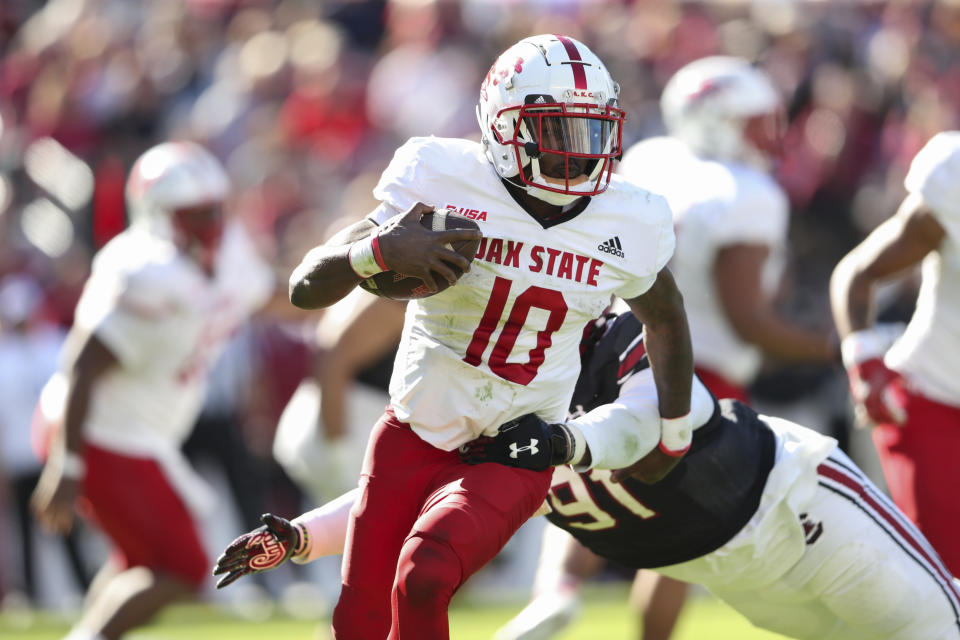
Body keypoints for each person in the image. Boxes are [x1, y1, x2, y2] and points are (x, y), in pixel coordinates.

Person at [277, 34, 694, 639]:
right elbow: (305, 287)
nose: (579, 155)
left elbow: (667, 317)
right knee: (358, 619)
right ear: (502, 129)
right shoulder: (443, 177)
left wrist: (674, 433)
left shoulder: (628, 217)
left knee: (423, 575)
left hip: (519, 441)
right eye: (557, 132)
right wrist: (377, 252)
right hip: (416, 426)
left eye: (591, 132)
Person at [215, 311, 960, 640]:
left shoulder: (612, 337)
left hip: (802, 512)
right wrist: (299, 540)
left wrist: (561, 442)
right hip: (741, 579)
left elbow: (665, 414)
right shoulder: (494, 408)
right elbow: (402, 499)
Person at [610, 55, 840, 639]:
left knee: (593, 504)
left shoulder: (650, 160)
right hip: (699, 375)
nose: (772, 133)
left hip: (613, 352)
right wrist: (833, 348)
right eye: (758, 120)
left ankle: (552, 596)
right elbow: (748, 320)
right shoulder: (748, 192)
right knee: (685, 538)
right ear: (721, 120)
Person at [28, 141, 275, 640]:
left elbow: (273, 297)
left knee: (143, 560)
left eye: (215, 210)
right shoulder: (140, 272)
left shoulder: (228, 254)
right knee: (184, 567)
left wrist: (359, 275)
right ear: (160, 214)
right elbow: (82, 368)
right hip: (100, 432)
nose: (212, 224)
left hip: (142, 435)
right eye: (197, 214)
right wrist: (67, 462)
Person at [831, 130, 960, 578]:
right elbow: (859, 274)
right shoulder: (955, 175)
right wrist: (865, 364)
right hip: (935, 398)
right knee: (946, 585)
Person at [0, 275, 90, 606]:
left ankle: (85, 589)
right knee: (23, 532)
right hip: (19, 457)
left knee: (68, 527)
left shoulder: (55, 345)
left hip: (53, 454)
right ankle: (29, 596)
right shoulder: (4, 357)